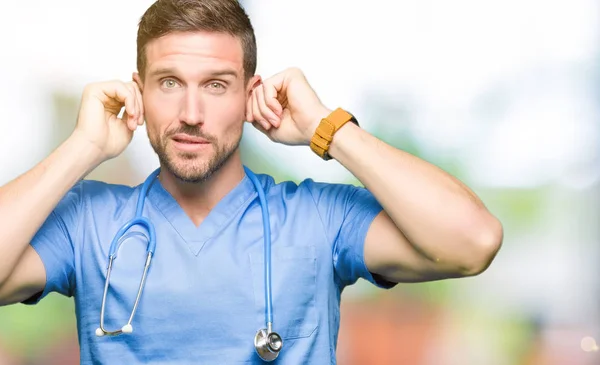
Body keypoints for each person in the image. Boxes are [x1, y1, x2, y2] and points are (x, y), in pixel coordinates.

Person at [0, 0, 503, 363]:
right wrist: (81, 148)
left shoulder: (319, 220)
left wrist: (325, 127)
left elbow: (473, 242)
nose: (191, 114)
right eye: (169, 83)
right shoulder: (87, 221)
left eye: (216, 86)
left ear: (250, 95)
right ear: (139, 94)